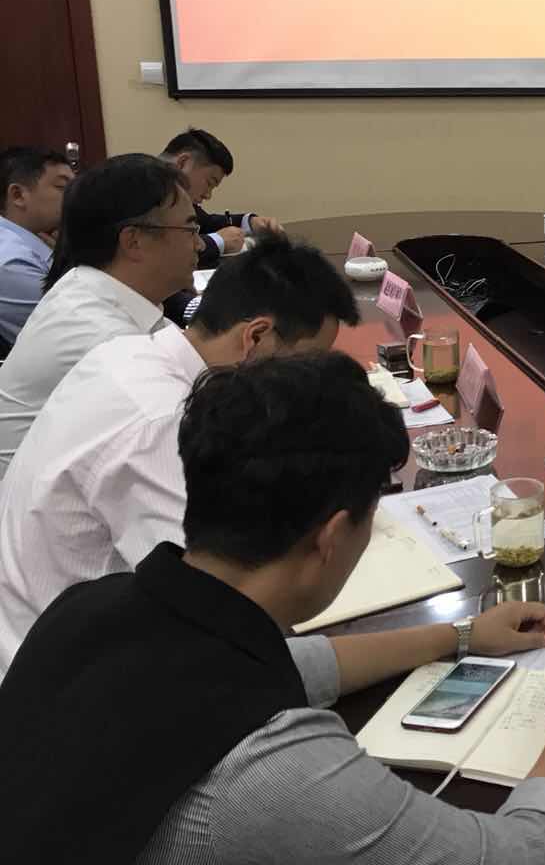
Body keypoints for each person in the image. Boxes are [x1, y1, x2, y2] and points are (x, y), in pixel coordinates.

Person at [0, 353, 545, 862]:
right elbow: (526, 854)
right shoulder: (274, 771)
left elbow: (292, 664)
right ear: (330, 538)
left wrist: (461, 637)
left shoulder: (92, 605)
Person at [0, 234, 359, 672]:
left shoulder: (133, 352)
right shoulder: (160, 420)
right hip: (59, 672)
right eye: (306, 365)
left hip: (56, 628)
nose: (308, 386)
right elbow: (227, 600)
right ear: (256, 337)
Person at [0, 154, 197, 475]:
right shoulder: (105, 338)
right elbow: (185, 444)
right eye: (189, 229)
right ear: (134, 241)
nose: (199, 244)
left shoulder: (93, 287)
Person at [160, 128, 283, 267]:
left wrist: (249, 222)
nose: (208, 195)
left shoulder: (173, 194)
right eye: (209, 183)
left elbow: (205, 223)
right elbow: (163, 250)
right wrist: (218, 241)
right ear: (183, 163)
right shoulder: (144, 185)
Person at [0, 148, 72, 346]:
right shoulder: (12, 262)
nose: (76, 196)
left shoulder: (40, 241)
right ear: (18, 195)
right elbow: (79, 326)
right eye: (63, 187)